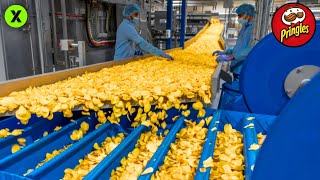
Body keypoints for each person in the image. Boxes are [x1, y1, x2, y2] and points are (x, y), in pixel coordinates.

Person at [212, 3, 255, 74]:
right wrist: (226, 51)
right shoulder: (244, 27)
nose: (238, 18)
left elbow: (250, 49)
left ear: (247, 14)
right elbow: (240, 46)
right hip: (237, 65)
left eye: (240, 15)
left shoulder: (254, 29)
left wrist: (230, 57)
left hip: (244, 67)